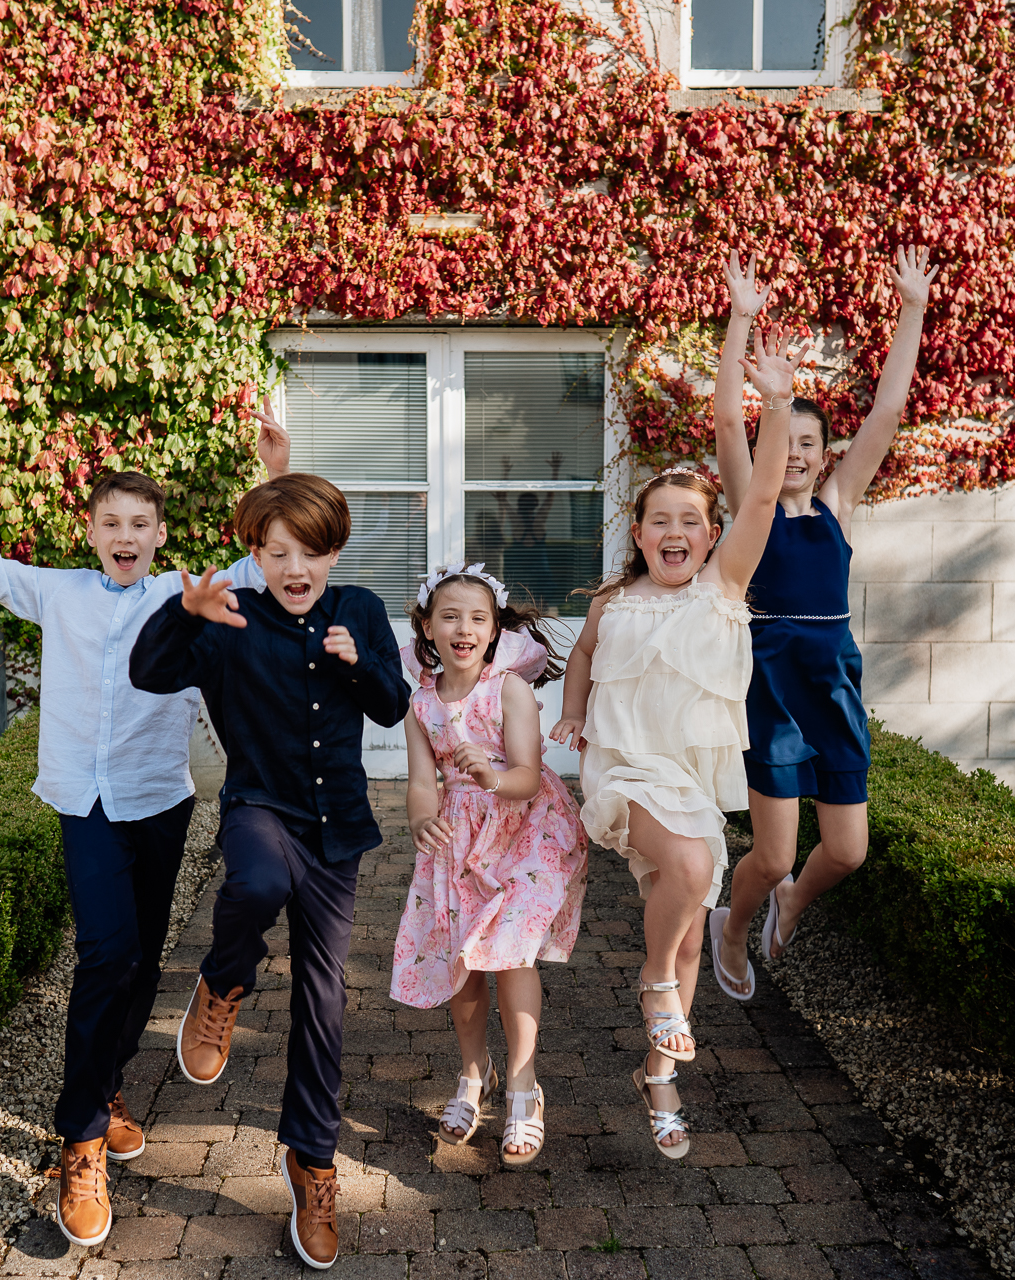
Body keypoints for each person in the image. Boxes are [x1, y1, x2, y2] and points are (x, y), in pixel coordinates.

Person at [0, 399, 288, 1248]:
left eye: (140, 523)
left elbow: (270, 565)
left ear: (158, 536)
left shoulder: (179, 594)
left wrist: (273, 478)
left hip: (158, 799)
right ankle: (80, 1142)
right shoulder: (58, 592)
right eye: (111, 521)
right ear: (90, 531)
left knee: (144, 964)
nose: (126, 534)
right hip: (83, 802)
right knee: (105, 954)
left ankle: (109, 1088)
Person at [128, 462, 411, 1271]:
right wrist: (184, 616)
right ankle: (222, 983)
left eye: (311, 553)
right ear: (256, 552)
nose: (295, 570)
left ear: (333, 551)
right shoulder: (228, 616)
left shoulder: (358, 609)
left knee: (325, 1000)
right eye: (277, 552)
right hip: (261, 806)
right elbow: (149, 674)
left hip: (339, 828)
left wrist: (359, 662)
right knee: (255, 882)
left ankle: (311, 1161)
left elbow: (392, 703)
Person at [549, 323, 801, 1161]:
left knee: (691, 926)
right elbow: (582, 657)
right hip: (623, 773)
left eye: (690, 520)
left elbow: (761, 493)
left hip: (689, 781)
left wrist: (774, 395)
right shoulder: (613, 603)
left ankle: (659, 1076)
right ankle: (657, 988)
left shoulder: (723, 590)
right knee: (695, 872)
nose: (674, 530)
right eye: (659, 519)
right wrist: (574, 712)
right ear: (640, 530)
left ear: (708, 534)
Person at [706, 247, 938, 1001]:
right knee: (770, 855)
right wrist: (742, 322)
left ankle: (794, 903)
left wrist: (912, 308)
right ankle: (732, 923)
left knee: (846, 851)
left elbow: (889, 411)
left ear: (827, 454)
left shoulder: (837, 508)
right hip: (770, 686)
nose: (797, 453)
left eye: (810, 443)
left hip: (833, 686)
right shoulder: (754, 508)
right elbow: (727, 421)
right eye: (787, 442)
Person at [392, 564, 587, 1166]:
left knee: (510, 952)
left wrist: (491, 775)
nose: (464, 628)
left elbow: (527, 777)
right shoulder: (421, 703)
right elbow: (423, 782)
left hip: (526, 834)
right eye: (449, 616)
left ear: (495, 628)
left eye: (478, 617)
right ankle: (473, 1076)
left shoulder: (510, 690)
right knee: (463, 966)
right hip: (461, 843)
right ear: (427, 626)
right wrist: (422, 818)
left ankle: (525, 1091)